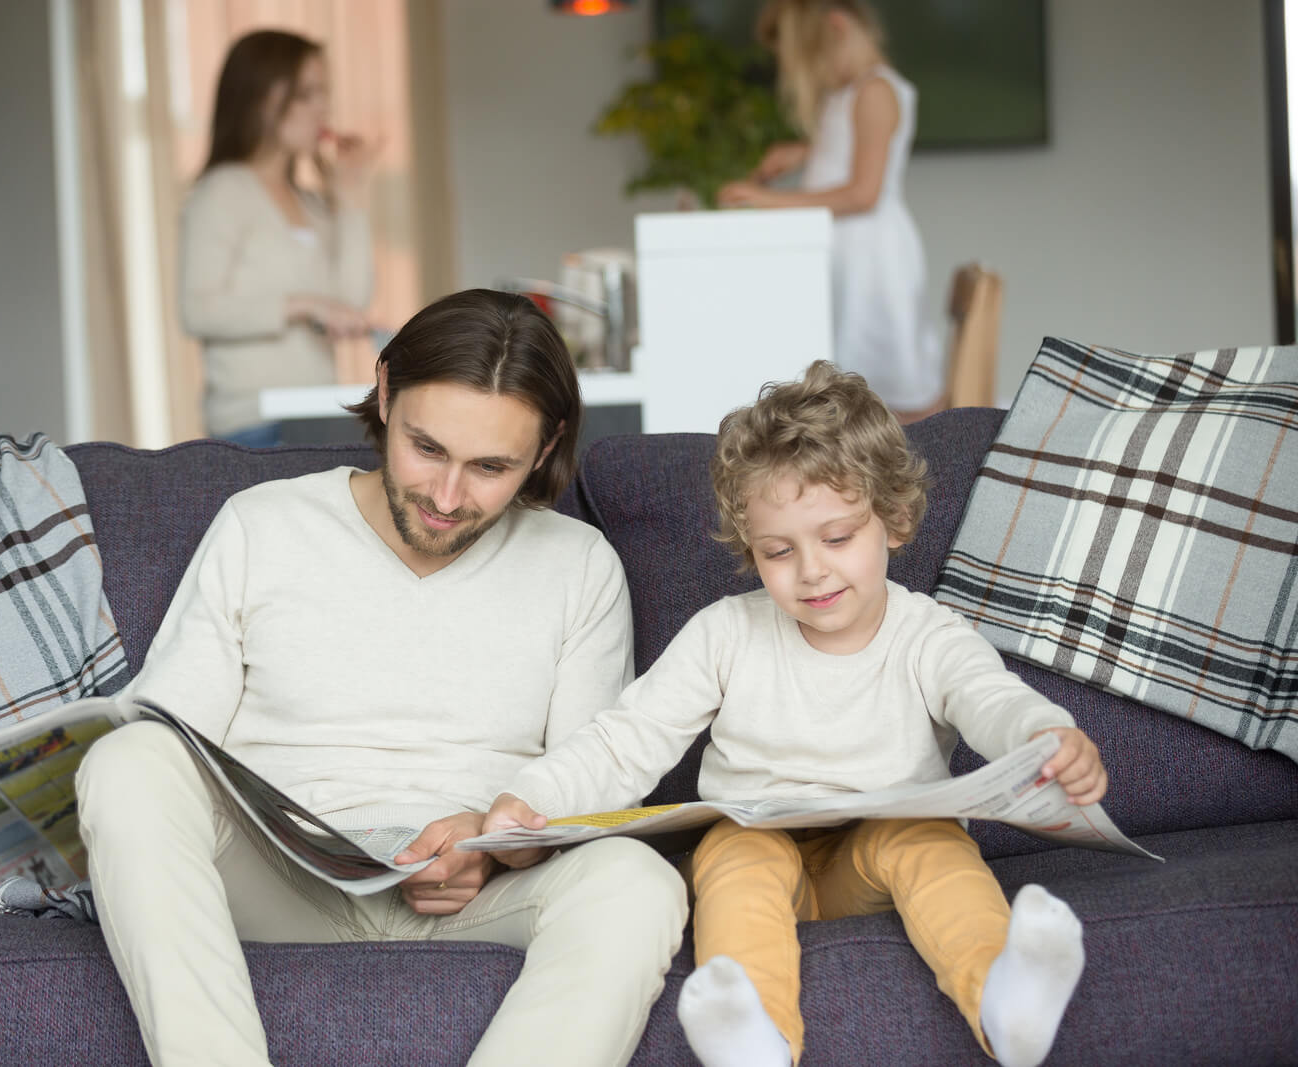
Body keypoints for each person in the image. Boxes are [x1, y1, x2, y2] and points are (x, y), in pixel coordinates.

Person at [63, 288, 681, 1067]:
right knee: (129, 757)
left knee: (635, 879)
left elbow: (586, 791)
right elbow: (167, 739)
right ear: (386, 391)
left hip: (476, 894)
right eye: (428, 448)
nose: (447, 497)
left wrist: (495, 847)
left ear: (547, 443)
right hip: (282, 878)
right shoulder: (264, 524)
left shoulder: (579, 565)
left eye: (490, 467)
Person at [485, 361, 1105, 1067]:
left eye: (837, 538)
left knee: (928, 839)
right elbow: (629, 738)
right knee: (733, 853)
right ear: (752, 548)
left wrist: (1043, 737)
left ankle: (1005, 1000)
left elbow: (989, 697)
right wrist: (532, 800)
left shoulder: (930, 634)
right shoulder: (726, 632)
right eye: (779, 551)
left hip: (872, 865)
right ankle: (757, 1042)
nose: (811, 570)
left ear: (894, 520)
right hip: (759, 847)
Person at [717, 0, 942, 421]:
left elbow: (863, 193)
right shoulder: (847, 94)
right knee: (857, 392)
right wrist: (803, 152)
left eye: (812, 56)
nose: (815, 72)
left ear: (837, 27)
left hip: (874, 264)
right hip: (851, 259)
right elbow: (846, 149)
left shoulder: (876, 91)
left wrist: (768, 200)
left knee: (897, 394)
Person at [181, 29, 377, 445]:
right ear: (260, 100)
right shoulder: (222, 192)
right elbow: (198, 310)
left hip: (314, 413)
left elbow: (351, 303)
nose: (324, 108)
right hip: (252, 423)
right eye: (307, 94)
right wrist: (303, 305)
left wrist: (352, 198)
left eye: (324, 93)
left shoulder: (311, 203)